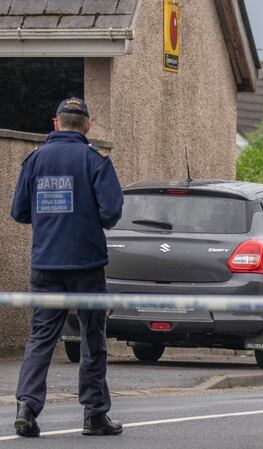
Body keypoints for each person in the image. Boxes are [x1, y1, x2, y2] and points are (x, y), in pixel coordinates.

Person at [10, 98, 124, 437]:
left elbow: (19, 211)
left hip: (45, 264)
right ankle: (94, 415)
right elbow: (112, 213)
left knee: (41, 338)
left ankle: (26, 409)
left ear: (56, 123)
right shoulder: (95, 161)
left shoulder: (35, 160)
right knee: (92, 337)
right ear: (87, 126)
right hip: (87, 265)